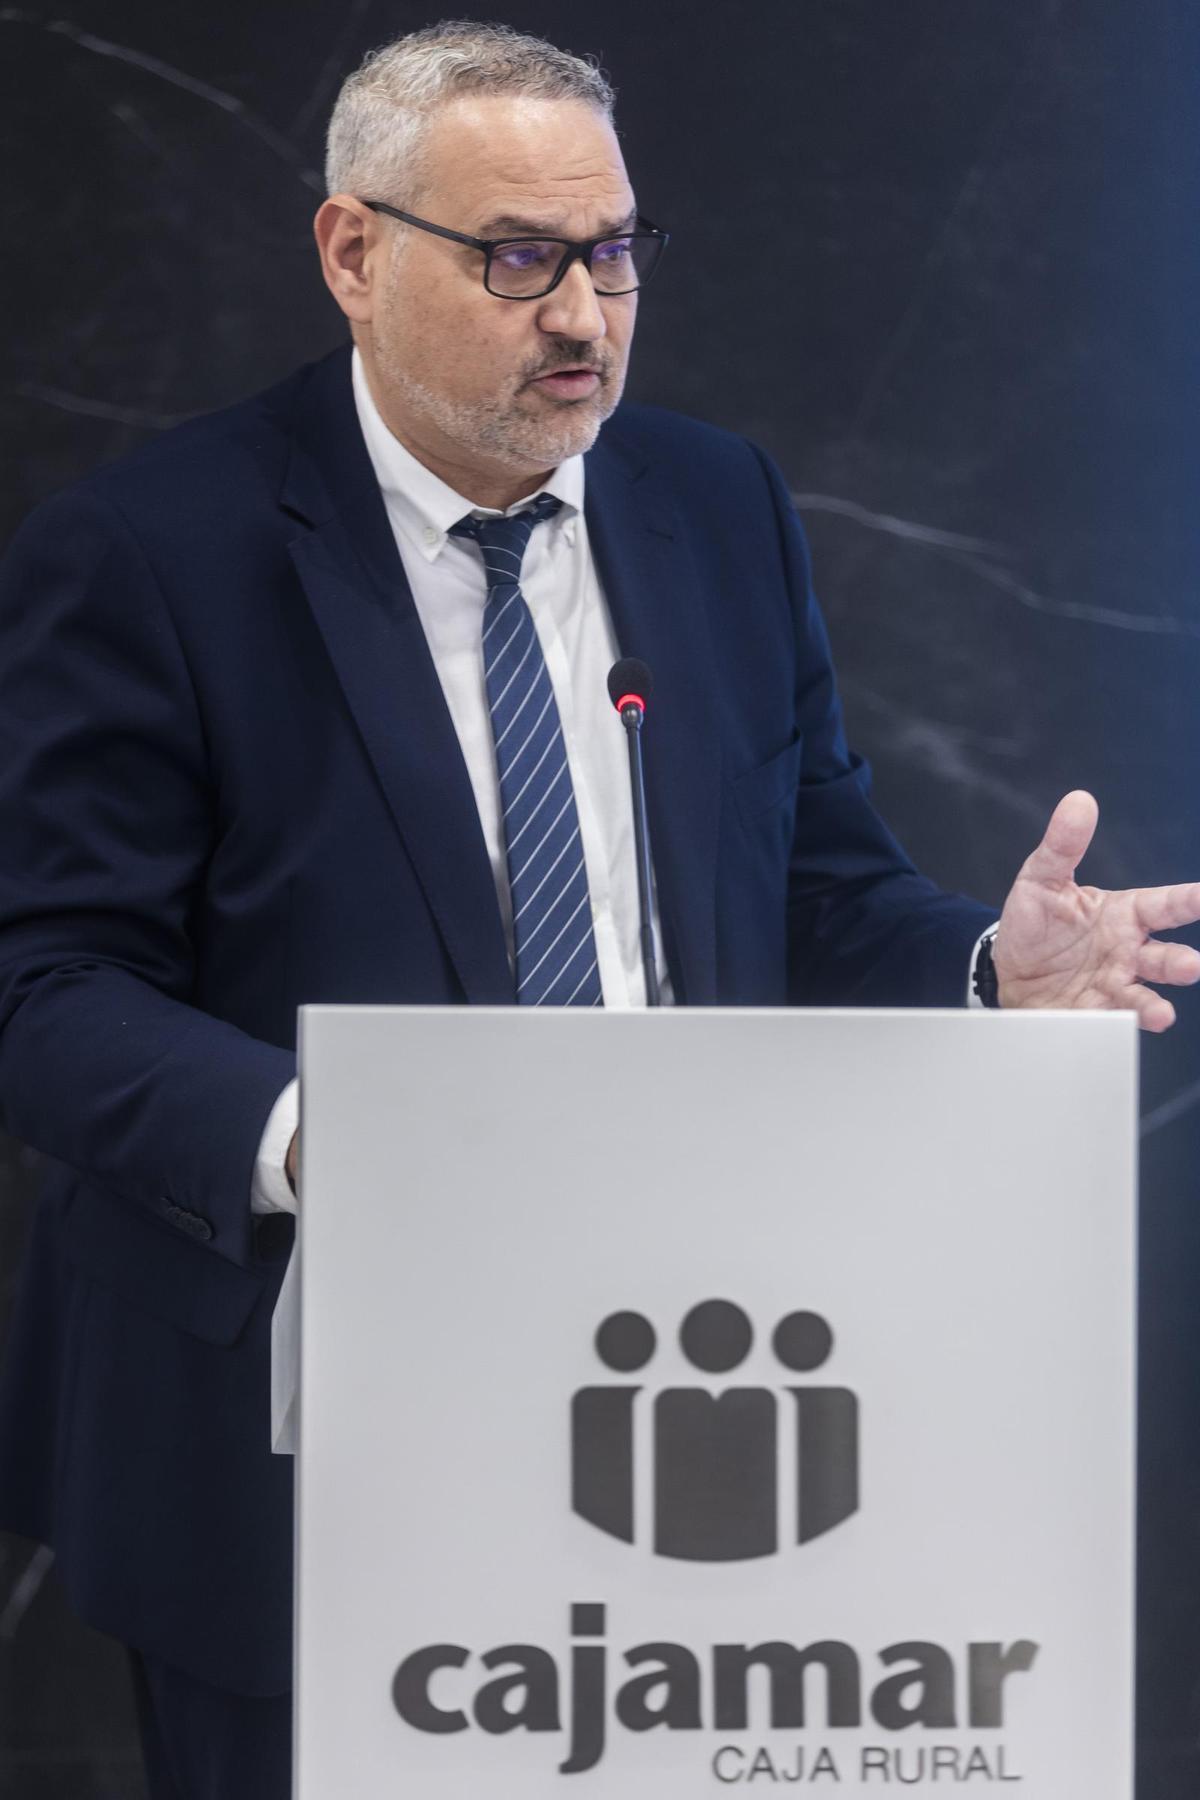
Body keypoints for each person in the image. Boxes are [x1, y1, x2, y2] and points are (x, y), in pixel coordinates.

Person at [0, 20, 1197, 1798]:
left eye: (614, 252)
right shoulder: (154, 552)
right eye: (518, 259)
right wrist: (343, 1138)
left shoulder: (714, 507)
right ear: (352, 253)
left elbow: (810, 886)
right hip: (303, 1426)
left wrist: (976, 964)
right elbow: (48, 985)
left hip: (668, 1394)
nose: (584, 316)